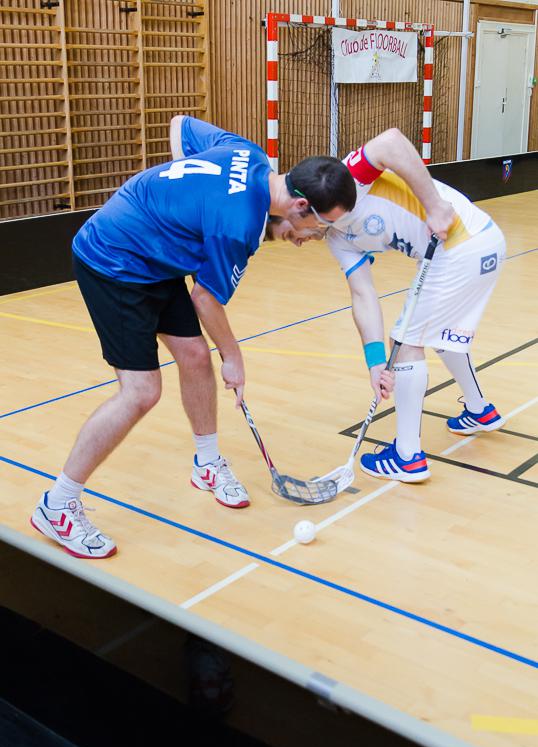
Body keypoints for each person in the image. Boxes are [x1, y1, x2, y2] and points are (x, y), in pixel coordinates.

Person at [31, 116, 357, 558]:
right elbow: (205, 298)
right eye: (321, 226)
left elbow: (181, 125)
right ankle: (59, 503)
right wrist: (235, 357)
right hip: (113, 260)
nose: (316, 235)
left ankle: (207, 463)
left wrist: (181, 207)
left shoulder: (251, 155)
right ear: (300, 205)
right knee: (141, 392)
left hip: (154, 257)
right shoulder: (238, 224)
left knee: (195, 357)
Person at [284, 128, 506, 483]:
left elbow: (390, 141)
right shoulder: (337, 237)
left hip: (460, 246)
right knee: (438, 334)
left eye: (291, 232)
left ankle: (407, 457)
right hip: (483, 244)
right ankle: (481, 410)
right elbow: (363, 295)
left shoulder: (342, 179)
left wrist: (434, 206)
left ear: (303, 208)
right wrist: (374, 364)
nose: (297, 241)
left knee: (406, 344)